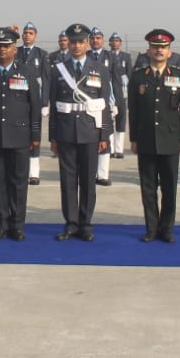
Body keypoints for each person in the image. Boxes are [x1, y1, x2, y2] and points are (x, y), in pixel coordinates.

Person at [0, 26, 42, 240]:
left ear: (15, 49)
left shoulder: (27, 72)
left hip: (20, 137)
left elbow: (35, 106)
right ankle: (2, 224)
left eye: (6, 46)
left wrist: (35, 136)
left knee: (19, 183)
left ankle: (17, 225)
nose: (2, 49)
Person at [48, 23, 113, 241]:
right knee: (68, 181)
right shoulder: (58, 69)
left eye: (81, 42)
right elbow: (54, 104)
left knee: (87, 181)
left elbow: (104, 104)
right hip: (65, 132)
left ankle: (85, 224)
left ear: (88, 43)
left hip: (90, 132)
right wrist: (53, 136)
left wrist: (104, 135)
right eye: (73, 42)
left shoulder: (100, 69)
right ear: (68, 43)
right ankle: (71, 223)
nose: (77, 46)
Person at [127, 28, 180, 243]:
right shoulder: (138, 77)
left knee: (169, 188)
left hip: (171, 140)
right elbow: (133, 111)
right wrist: (133, 139)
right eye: (155, 47)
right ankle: (151, 228)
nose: (159, 50)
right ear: (148, 50)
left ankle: (167, 228)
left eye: (163, 47)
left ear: (169, 51)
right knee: (148, 188)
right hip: (146, 140)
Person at [17, 22, 51, 186]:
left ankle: (34, 173)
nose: (27, 35)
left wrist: (45, 102)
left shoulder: (42, 54)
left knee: (34, 134)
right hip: (18, 98)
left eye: (30, 33)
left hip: (35, 99)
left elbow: (46, 79)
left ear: (35, 36)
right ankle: (20, 170)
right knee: (19, 134)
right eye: (25, 33)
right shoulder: (15, 52)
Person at [89, 27, 125, 186]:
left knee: (105, 134)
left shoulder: (110, 56)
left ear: (103, 40)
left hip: (106, 101)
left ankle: (103, 175)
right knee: (90, 137)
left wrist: (117, 102)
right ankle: (90, 173)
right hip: (88, 101)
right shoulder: (85, 56)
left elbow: (116, 81)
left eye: (98, 38)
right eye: (92, 38)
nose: (95, 40)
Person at [107, 32, 131, 161]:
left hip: (122, 91)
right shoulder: (106, 56)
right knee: (109, 120)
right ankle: (110, 148)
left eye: (117, 41)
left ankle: (119, 149)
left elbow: (129, 74)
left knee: (121, 121)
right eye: (113, 41)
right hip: (109, 91)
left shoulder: (126, 56)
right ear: (109, 43)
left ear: (120, 43)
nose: (115, 43)